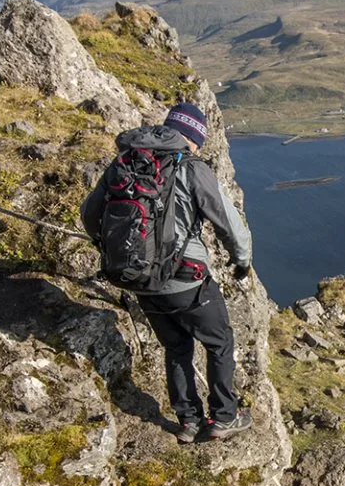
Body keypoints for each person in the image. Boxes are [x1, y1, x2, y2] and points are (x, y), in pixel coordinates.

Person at [81, 102, 254, 443]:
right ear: (192, 137)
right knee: (219, 342)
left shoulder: (127, 162)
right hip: (186, 279)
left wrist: (111, 248)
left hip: (140, 280)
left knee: (176, 348)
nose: (200, 148)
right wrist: (242, 260)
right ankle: (223, 417)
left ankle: (188, 422)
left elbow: (89, 213)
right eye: (199, 141)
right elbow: (230, 225)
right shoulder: (191, 168)